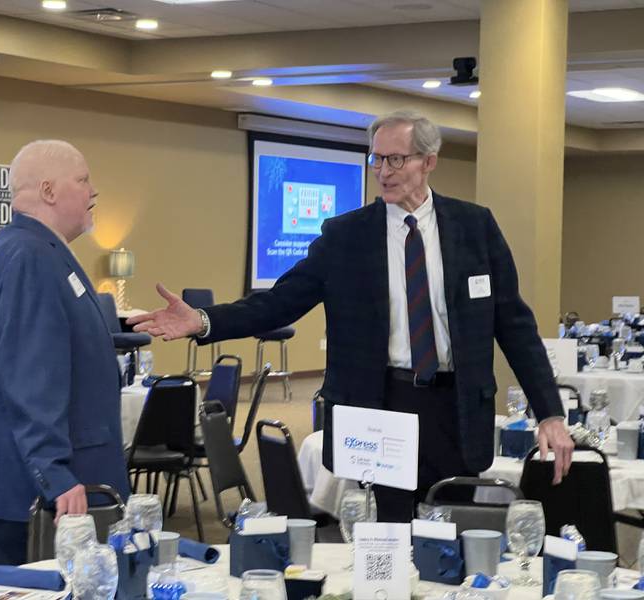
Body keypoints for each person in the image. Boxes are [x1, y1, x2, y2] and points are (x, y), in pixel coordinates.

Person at [129, 110, 575, 522]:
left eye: (395, 160)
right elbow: (280, 302)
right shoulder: (346, 236)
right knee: (390, 533)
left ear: (428, 161)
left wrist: (549, 412)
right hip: (381, 403)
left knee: (454, 526)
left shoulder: (475, 228)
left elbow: (515, 325)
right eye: (376, 160)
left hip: (455, 406)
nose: (382, 172)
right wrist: (204, 321)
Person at [0, 140, 131, 565]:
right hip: (44, 494)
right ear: (49, 191)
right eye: (83, 180)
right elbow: (31, 378)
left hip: (42, 485)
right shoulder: (29, 257)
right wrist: (53, 472)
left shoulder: (33, 249)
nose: (92, 192)